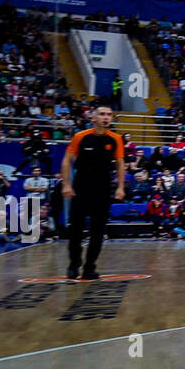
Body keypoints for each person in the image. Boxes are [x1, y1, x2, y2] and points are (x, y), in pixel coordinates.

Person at [60, 105, 126, 282]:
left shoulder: (116, 139)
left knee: (98, 231)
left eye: (109, 115)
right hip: (81, 186)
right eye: (102, 114)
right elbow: (67, 161)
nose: (106, 117)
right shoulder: (80, 137)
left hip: (103, 188)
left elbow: (120, 164)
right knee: (76, 229)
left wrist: (120, 187)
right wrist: (66, 185)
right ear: (94, 117)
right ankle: (74, 265)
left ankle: (90, 267)